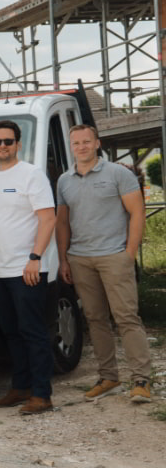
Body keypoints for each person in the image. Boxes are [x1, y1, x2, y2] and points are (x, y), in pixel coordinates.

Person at [57, 124, 155, 404]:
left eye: (87, 142)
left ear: (97, 143)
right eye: (76, 143)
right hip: (81, 258)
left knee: (126, 318)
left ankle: (141, 380)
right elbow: (63, 222)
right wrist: (64, 258)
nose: (82, 147)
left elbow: (137, 213)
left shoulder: (118, 174)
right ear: (71, 146)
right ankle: (109, 376)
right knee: (95, 319)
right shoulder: (64, 181)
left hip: (114, 256)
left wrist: (129, 253)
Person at [0, 120, 57, 415]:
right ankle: (20, 386)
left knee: (33, 332)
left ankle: (42, 394)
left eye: (8, 141)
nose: (2, 146)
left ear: (18, 144)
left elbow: (48, 218)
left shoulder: (31, 175)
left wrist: (35, 258)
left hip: (27, 270)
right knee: (11, 332)